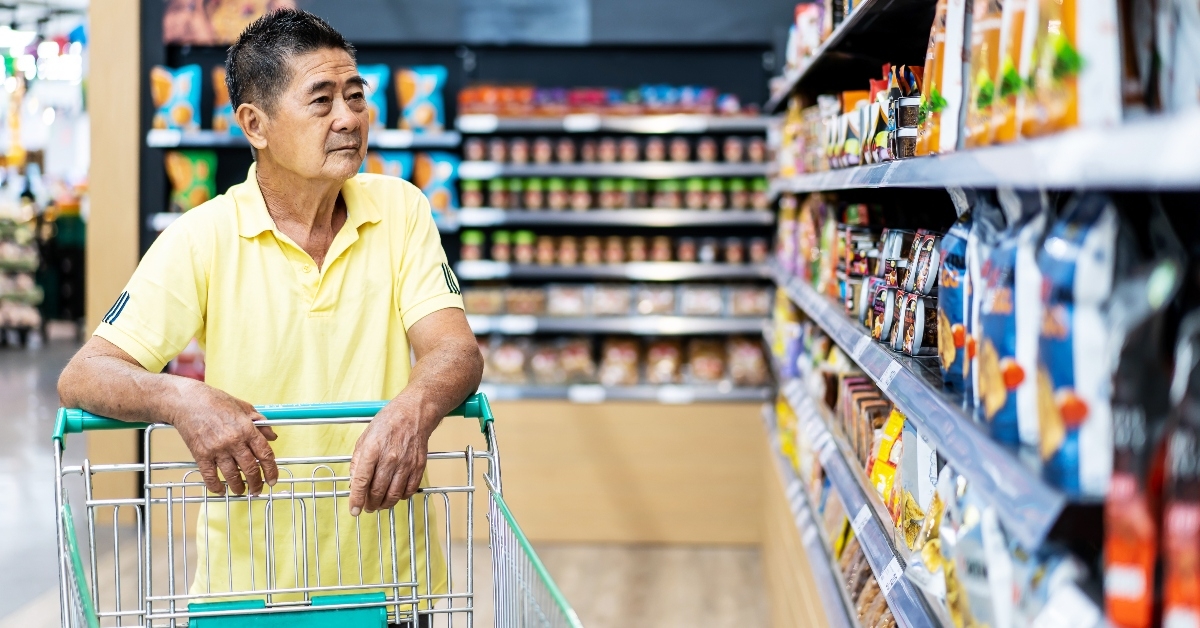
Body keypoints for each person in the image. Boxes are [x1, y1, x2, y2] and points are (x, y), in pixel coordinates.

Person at [57, 9, 482, 625]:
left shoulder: (401, 210)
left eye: (356, 95)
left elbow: (454, 350)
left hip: (389, 582)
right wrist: (184, 399)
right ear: (255, 124)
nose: (349, 118)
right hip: (248, 589)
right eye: (322, 100)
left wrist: (411, 412)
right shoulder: (203, 237)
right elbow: (85, 375)